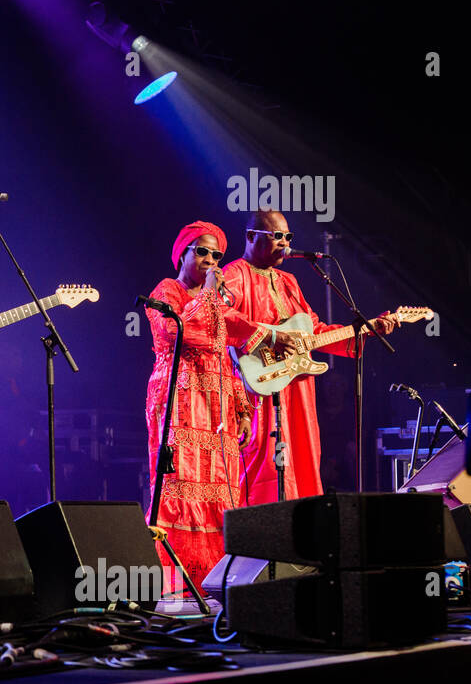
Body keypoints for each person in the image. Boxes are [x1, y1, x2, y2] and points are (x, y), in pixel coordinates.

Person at [222, 209, 397, 504]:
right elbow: (220, 316)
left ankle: (299, 540)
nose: (284, 242)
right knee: (264, 467)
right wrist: (271, 336)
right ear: (251, 237)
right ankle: (258, 541)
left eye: (287, 236)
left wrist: (365, 331)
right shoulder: (234, 275)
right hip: (258, 389)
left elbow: (314, 330)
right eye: (276, 236)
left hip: (297, 391)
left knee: (302, 461)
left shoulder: (289, 281)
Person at [145, 222, 258, 594]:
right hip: (179, 398)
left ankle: (214, 580)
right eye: (202, 251)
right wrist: (209, 294)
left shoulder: (217, 303)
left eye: (217, 255)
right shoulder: (167, 290)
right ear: (183, 253)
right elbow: (177, 332)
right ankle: (174, 582)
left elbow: (226, 355)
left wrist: (242, 407)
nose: (210, 260)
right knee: (180, 483)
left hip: (218, 405)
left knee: (220, 490)